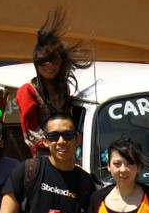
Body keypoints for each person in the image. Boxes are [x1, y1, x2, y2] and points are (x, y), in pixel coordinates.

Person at [16, 8, 92, 156]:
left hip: (67, 150)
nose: (49, 65)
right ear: (36, 63)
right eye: (43, 61)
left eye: (54, 60)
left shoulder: (63, 88)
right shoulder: (27, 91)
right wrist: (55, 144)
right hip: (44, 154)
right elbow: (31, 131)